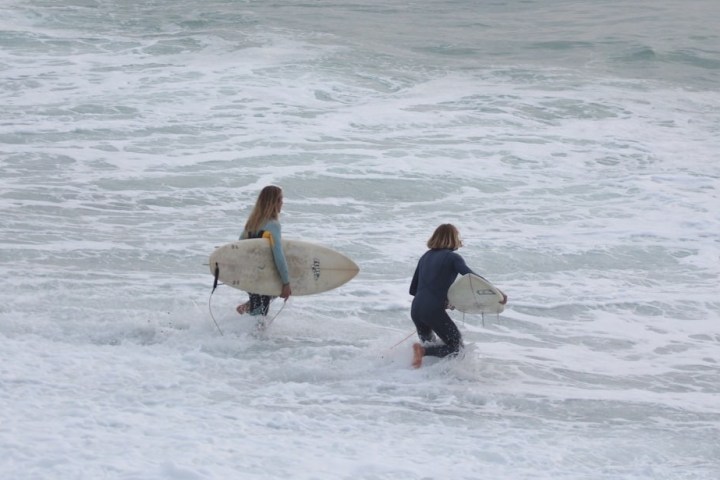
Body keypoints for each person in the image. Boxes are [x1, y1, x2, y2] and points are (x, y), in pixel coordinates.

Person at [409, 224, 506, 368]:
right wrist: (497, 292)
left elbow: (413, 290)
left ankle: (418, 376)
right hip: (432, 309)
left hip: (416, 308)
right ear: (453, 238)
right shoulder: (452, 257)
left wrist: (443, 300)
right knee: (457, 348)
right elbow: (471, 277)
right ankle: (423, 352)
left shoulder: (425, 257)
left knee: (431, 346)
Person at [236, 185, 292, 317]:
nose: (282, 203)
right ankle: (251, 336)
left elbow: (239, 246)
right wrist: (286, 283)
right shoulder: (273, 225)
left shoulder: (252, 224)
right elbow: (278, 255)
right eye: (280, 200)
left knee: (260, 304)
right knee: (260, 318)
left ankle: (245, 309)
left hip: (249, 274)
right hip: (262, 276)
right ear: (273, 202)